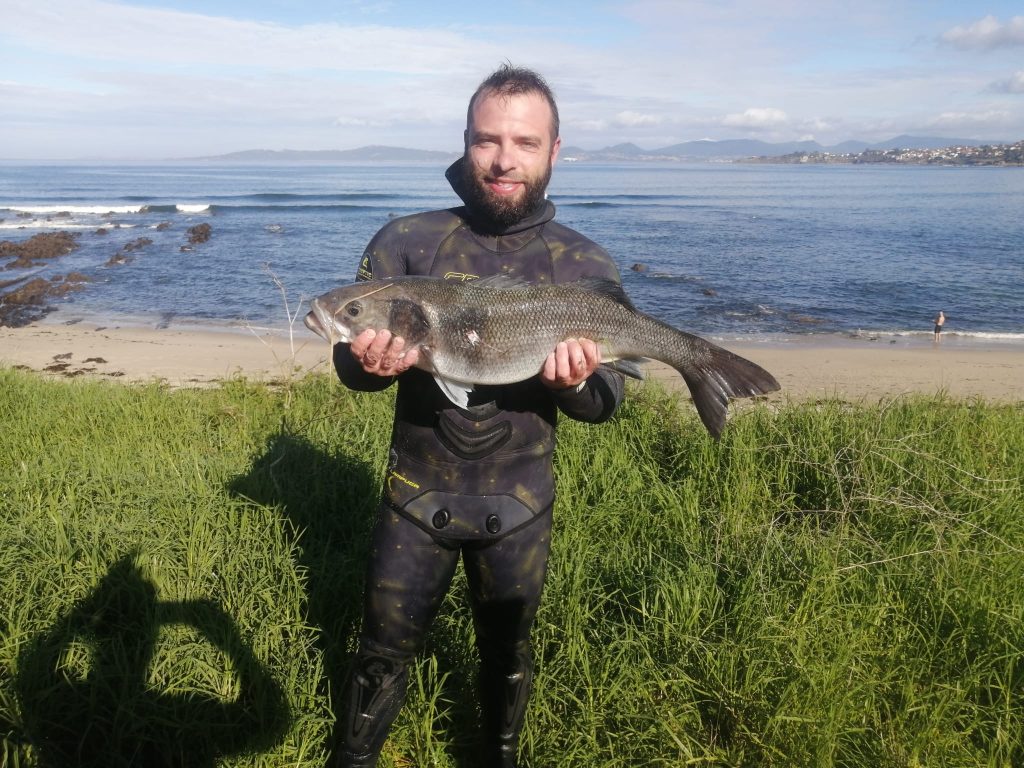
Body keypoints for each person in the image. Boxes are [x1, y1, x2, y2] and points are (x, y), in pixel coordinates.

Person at [329, 64, 626, 767]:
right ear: (466, 143)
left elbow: (607, 401)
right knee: (381, 648)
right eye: (488, 140)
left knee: (507, 649)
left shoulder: (584, 263)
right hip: (415, 494)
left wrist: (574, 384)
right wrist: (367, 362)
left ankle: (496, 757)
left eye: (525, 142)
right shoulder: (407, 242)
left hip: (521, 503)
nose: (503, 159)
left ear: (556, 150)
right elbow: (350, 365)